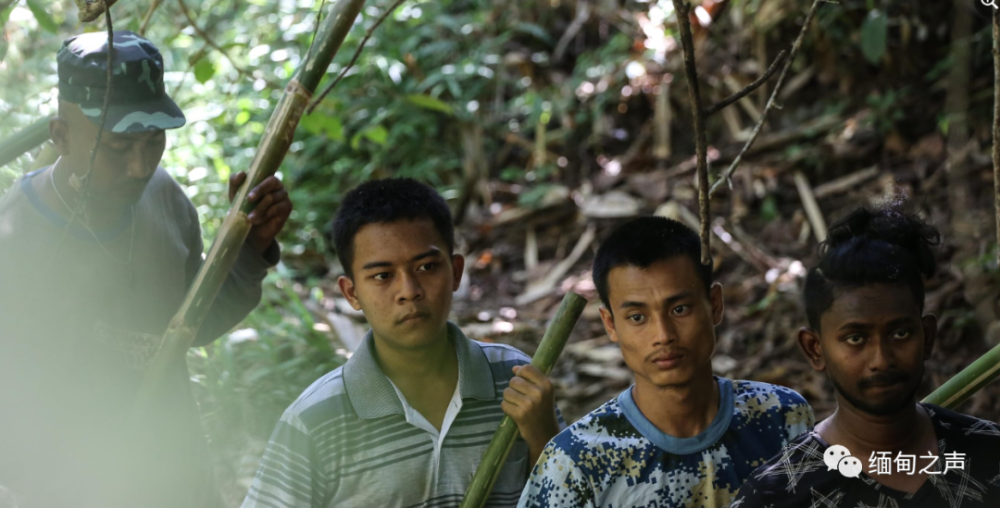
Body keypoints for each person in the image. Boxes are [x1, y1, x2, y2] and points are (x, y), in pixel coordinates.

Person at [0, 31, 292, 508]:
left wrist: (250, 249)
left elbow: (192, 320)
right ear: (61, 135)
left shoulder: (163, 198)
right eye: (117, 149)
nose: (139, 166)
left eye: (153, 141)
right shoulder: (15, 243)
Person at [240, 178, 563, 508]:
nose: (409, 290)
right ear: (351, 293)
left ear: (455, 272)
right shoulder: (315, 421)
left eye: (426, 267)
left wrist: (545, 438)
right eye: (382, 275)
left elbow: (574, 497)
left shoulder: (514, 379)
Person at [518, 216, 815, 508]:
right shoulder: (575, 461)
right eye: (637, 317)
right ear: (610, 325)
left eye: (680, 309)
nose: (663, 335)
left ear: (714, 305)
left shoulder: (782, 418)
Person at [732, 203, 1000, 507]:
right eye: (856, 338)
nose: (881, 360)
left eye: (900, 333)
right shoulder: (777, 495)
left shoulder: (989, 454)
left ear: (927, 337)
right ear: (814, 349)